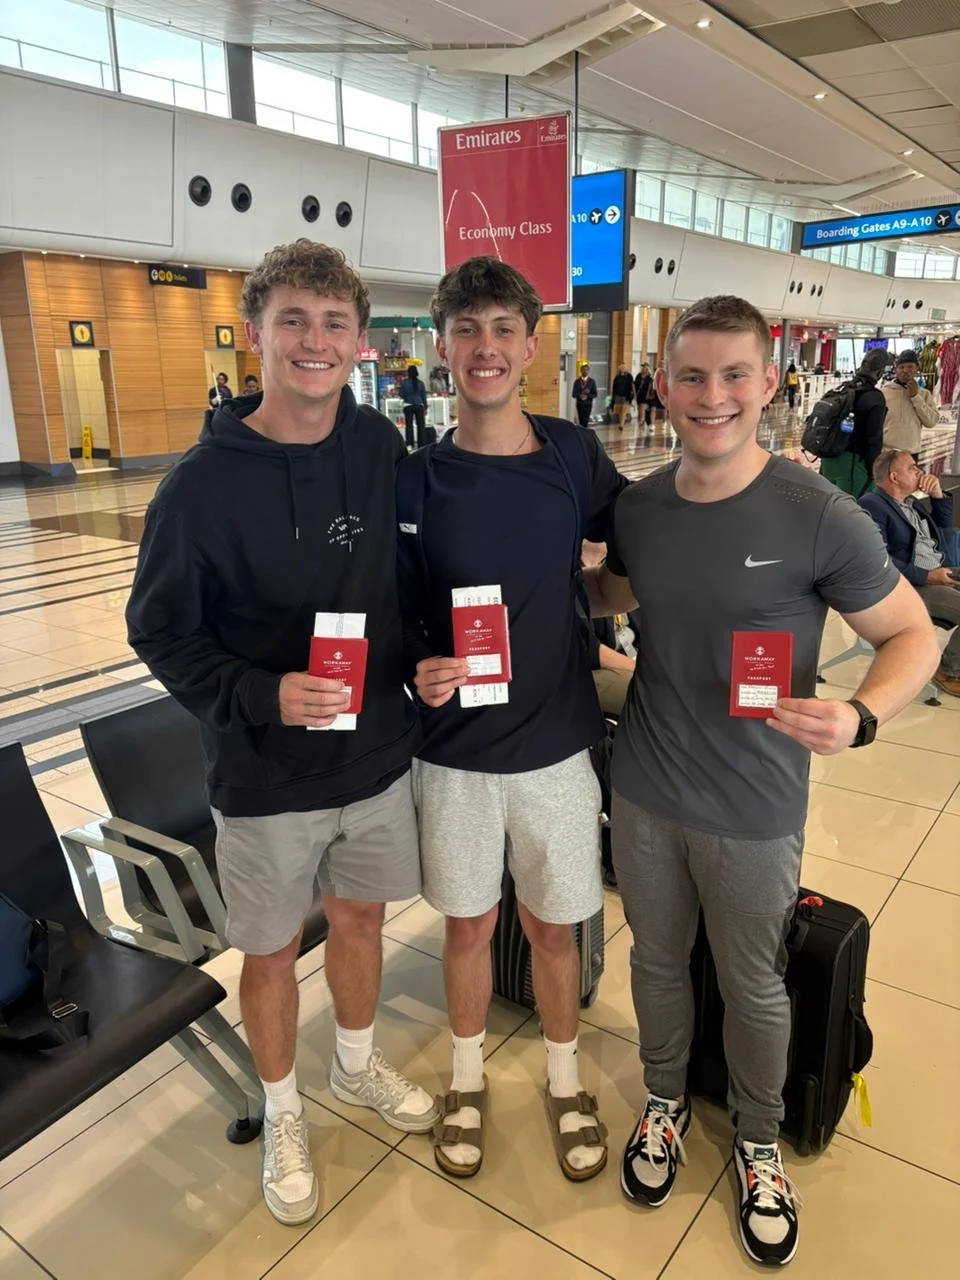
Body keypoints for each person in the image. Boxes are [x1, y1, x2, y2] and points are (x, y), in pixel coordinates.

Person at [584, 294, 939, 1268]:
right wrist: (575, 578)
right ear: (664, 386)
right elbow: (615, 593)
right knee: (656, 960)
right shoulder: (642, 506)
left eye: (735, 374)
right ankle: (662, 1098)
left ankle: (755, 1137)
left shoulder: (814, 513)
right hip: (649, 787)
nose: (713, 395)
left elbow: (913, 630)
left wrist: (861, 714)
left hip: (753, 805)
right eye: (692, 376)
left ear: (770, 382)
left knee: (752, 982)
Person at [126, 241, 436, 1229]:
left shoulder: (381, 449)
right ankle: (283, 1105)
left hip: (377, 757)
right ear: (255, 334)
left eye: (335, 323)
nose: (316, 341)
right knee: (265, 954)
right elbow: (159, 628)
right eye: (294, 321)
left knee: (360, 920)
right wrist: (260, 693)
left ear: (358, 342)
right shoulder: (200, 487)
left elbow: (412, 579)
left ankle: (351, 1064)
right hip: (264, 774)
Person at [398, 256, 627, 1184]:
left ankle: (566, 1079)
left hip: (555, 746)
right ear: (444, 346)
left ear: (530, 347)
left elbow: (643, 551)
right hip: (453, 753)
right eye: (467, 331)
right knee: (465, 927)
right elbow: (399, 611)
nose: (485, 349)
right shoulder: (414, 479)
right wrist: (418, 669)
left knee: (555, 927)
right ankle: (464, 1076)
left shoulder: (573, 457)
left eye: (503, 331)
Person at [861, 450, 960, 698]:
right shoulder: (871, 506)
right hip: (908, 587)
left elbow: (945, 530)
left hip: (940, 573)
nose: (920, 472)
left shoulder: (911, 503)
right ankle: (947, 671)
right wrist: (928, 577)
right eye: (913, 468)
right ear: (894, 477)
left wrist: (937, 496)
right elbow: (877, 561)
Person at [818, 348, 888, 498]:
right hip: (852, 466)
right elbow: (874, 440)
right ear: (879, 373)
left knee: (824, 508)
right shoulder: (875, 398)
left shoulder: (842, 389)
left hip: (828, 461)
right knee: (849, 514)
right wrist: (873, 471)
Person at [881, 350, 939, 459]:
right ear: (896, 369)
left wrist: (915, 397)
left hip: (911, 454)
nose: (905, 371)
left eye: (910, 367)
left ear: (917, 368)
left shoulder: (924, 394)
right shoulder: (883, 393)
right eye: (901, 367)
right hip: (887, 453)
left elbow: (931, 422)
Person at [399, 364, 428, 450]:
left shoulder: (404, 383)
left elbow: (401, 394)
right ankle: (421, 444)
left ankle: (410, 444)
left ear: (408, 373)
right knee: (421, 426)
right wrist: (425, 407)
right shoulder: (421, 383)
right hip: (419, 405)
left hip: (408, 405)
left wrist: (407, 397)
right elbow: (423, 396)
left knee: (409, 426)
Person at [572, 364, 598, 428]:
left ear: (588, 371)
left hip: (588, 404)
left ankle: (585, 432)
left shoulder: (592, 381)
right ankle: (582, 433)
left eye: (586, 370)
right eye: (583, 370)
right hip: (580, 404)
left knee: (585, 420)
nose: (585, 371)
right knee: (581, 420)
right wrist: (580, 395)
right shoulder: (577, 381)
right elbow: (573, 394)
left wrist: (588, 396)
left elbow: (595, 394)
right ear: (581, 371)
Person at [611, 364, 635, 430]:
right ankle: (621, 421)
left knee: (623, 410)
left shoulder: (629, 376)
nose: (622, 369)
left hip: (626, 395)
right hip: (618, 395)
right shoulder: (617, 377)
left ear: (626, 369)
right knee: (619, 410)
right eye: (621, 368)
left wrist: (633, 393)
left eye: (624, 368)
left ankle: (621, 425)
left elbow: (632, 385)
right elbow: (614, 387)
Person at [634, 363, 653, 428]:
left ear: (647, 369)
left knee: (642, 408)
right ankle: (640, 420)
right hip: (639, 395)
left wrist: (648, 394)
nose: (643, 369)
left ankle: (642, 421)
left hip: (645, 395)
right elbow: (635, 385)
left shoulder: (649, 378)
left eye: (645, 368)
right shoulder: (638, 376)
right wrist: (634, 394)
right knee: (639, 409)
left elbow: (650, 387)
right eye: (643, 368)